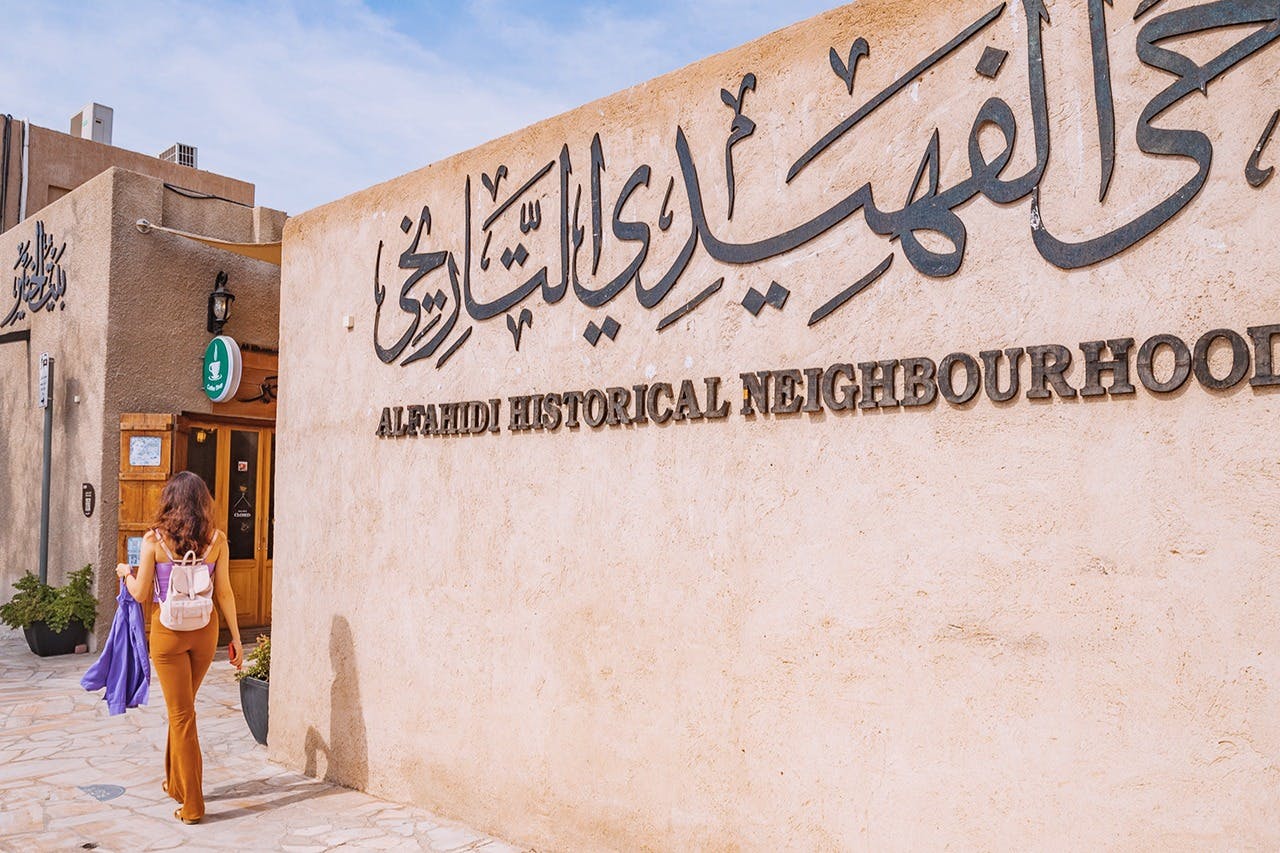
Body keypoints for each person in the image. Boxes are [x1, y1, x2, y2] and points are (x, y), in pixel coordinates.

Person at [117, 470, 243, 824]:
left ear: (169, 501)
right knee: (183, 709)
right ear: (203, 501)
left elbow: (141, 593)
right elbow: (225, 593)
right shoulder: (216, 540)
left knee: (181, 715)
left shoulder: (154, 541)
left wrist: (124, 572)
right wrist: (235, 637)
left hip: (168, 636)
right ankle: (175, 782)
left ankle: (192, 804)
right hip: (205, 633)